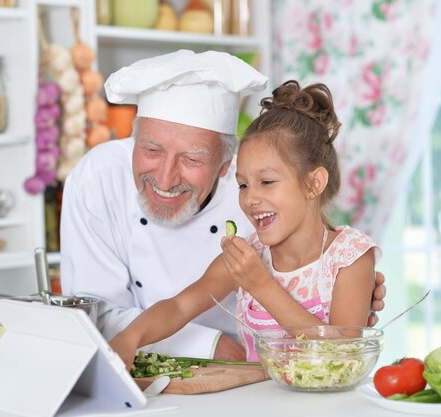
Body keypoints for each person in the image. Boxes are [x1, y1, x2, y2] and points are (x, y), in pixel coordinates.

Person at [60, 50, 386, 362]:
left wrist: (261, 284)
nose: (251, 197)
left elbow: (343, 356)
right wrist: (129, 339)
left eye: (191, 159)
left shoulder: (347, 255)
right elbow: (178, 307)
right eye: (243, 185)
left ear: (222, 166)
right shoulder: (250, 250)